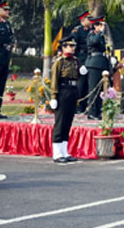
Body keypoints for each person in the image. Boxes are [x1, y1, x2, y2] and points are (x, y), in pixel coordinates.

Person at [49, 35, 80, 163]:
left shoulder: (75, 61)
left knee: (68, 122)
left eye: (73, 46)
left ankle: (65, 151)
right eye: (70, 46)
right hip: (62, 91)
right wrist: (53, 96)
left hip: (72, 91)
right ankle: (57, 153)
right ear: (64, 47)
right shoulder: (59, 62)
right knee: (60, 122)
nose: (73, 48)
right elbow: (55, 80)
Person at [85, 16, 110, 120]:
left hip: (101, 63)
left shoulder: (101, 36)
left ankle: (98, 111)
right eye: (100, 25)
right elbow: (93, 42)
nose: (102, 27)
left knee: (100, 90)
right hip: (93, 63)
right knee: (93, 88)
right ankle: (91, 111)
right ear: (95, 26)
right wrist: (100, 32)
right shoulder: (92, 34)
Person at [71, 11, 91, 114]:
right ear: (83, 20)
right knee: (80, 84)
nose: (91, 21)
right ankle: (77, 106)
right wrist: (79, 62)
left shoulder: (91, 31)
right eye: (89, 19)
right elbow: (74, 46)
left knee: (88, 85)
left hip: (90, 58)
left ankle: (85, 106)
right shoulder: (77, 31)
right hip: (81, 58)